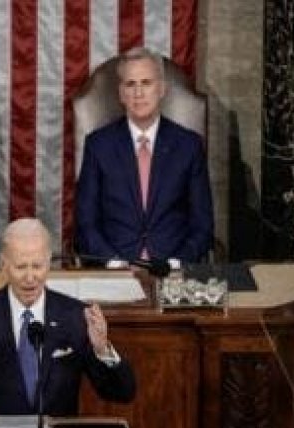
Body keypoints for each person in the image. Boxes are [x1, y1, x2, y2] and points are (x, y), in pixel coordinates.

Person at [0, 218, 136, 415]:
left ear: (49, 262)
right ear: (4, 265)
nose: (30, 277)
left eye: (38, 266)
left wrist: (103, 350)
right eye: (21, 267)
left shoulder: (74, 316)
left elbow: (122, 393)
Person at [75, 47, 214, 265]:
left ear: (161, 89)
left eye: (146, 83)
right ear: (121, 93)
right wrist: (112, 263)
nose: (138, 93)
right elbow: (86, 223)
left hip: (173, 270)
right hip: (115, 270)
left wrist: (177, 262)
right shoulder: (98, 145)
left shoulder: (189, 145)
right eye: (131, 84)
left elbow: (202, 225)